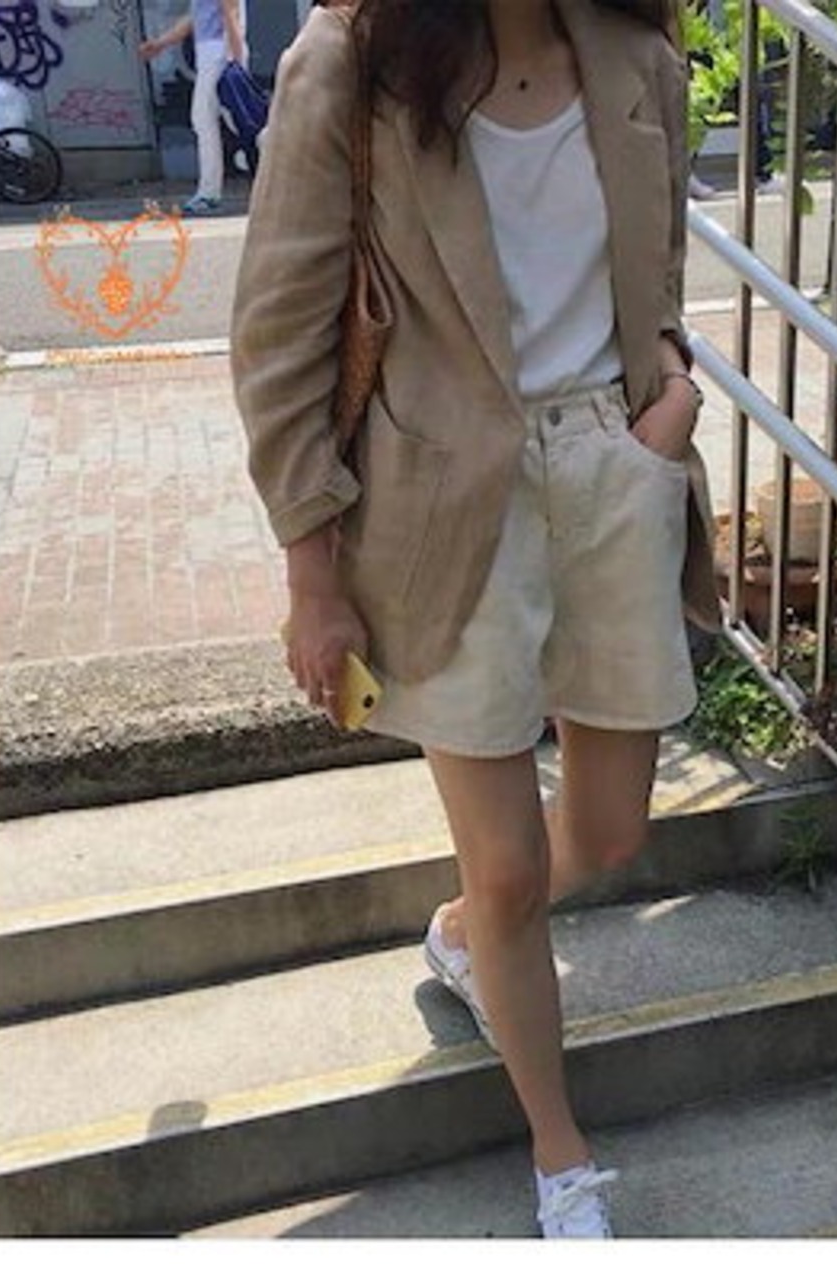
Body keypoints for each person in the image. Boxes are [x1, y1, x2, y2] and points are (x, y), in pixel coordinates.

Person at [231, 0, 719, 1239]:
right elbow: (279, 330)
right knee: (507, 865)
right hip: (442, 497)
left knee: (607, 831)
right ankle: (561, 1156)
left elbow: (654, 262)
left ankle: (459, 933)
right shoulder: (353, 61)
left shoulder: (633, 54)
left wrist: (669, 395)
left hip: (612, 461)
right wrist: (311, 571)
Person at [140, 0, 248, 214]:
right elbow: (195, 17)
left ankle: (209, 193)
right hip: (215, 53)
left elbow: (230, 11)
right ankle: (270, 162)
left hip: (219, 53)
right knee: (233, 120)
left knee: (207, 119)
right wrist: (161, 43)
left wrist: (236, 60)